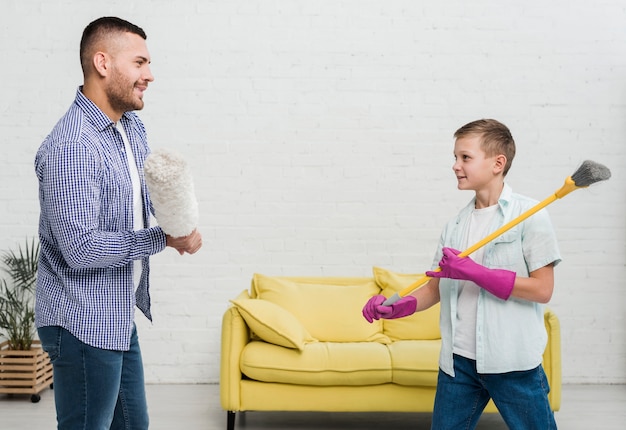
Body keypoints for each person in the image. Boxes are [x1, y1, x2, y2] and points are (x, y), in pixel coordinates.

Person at [34, 16, 202, 430]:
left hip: (114, 313)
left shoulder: (130, 129)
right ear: (103, 63)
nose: (150, 75)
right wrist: (161, 239)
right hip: (80, 320)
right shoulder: (72, 147)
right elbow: (81, 249)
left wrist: (180, 224)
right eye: (140, 62)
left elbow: (145, 199)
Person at [363, 119, 560, 430]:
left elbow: (542, 289)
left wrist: (476, 273)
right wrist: (398, 307)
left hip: (512, 361)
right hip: (458, 362)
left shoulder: (531, 216)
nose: (455, 166)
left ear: (498, 163)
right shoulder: (455, 225)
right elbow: (434, 289)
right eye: (455, 157)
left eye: (465, 157)